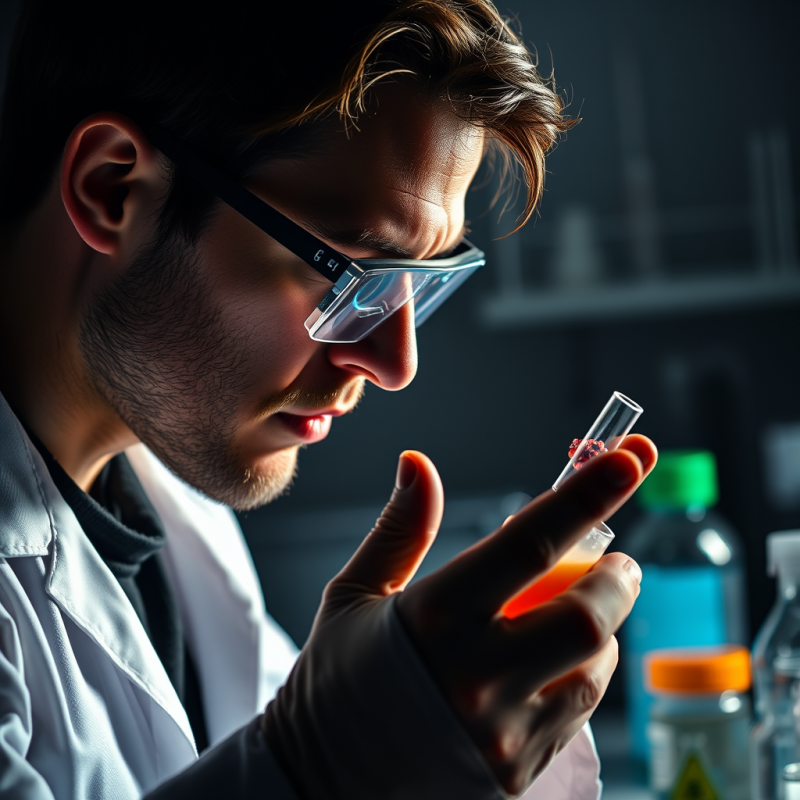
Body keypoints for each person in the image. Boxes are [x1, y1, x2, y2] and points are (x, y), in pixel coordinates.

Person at [0, 1, 657, 798]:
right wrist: (327, 767)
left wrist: (464, 732)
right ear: (113, 188)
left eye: (423, 283)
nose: (393, 361)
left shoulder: (170, 500)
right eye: (352, 275)